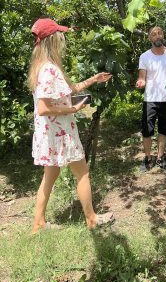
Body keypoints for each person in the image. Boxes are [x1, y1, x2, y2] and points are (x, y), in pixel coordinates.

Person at [28, 18, 114, 233]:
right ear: (52, 39)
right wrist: (72, 110)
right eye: (60, 35)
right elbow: (43, 108)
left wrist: (93, 79)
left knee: (50, 176)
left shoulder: (44, 67)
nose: (63, 39)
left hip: (51, 134)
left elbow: (69, 89)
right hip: (60, 133)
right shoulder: (49, 70)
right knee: (82, 173)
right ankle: (92, 219)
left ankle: (38, 224)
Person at [136, 26, 166, 172]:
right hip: (150, 98)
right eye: (154, 35)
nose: (158, 36)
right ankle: (147, 158)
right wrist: (141, 82)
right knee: (147, 131)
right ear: (149, 39)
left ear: (163, 36)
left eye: (160, 33)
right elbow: (142, 77)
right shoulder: (144, 56)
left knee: (164, 130)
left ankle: (160, 158)